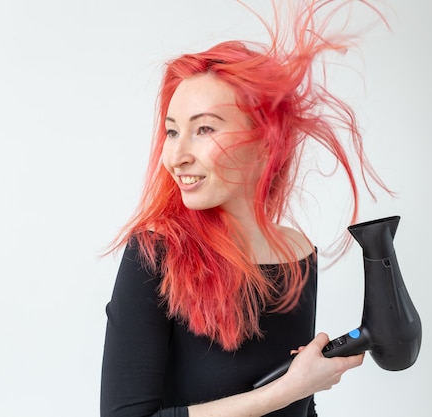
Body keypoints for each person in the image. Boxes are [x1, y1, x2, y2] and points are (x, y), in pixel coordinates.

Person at [100, 1, 390, 416]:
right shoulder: (155, 253)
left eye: (203, 129)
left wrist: (301, 390)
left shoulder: (296, 253)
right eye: (171, 131)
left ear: (265, 143)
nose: (175, 156)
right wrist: (288, 390)